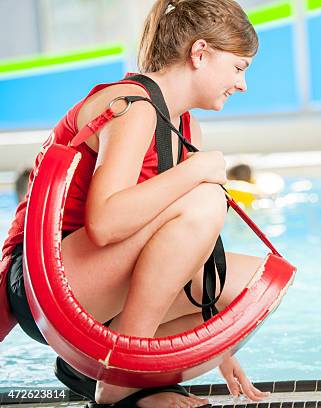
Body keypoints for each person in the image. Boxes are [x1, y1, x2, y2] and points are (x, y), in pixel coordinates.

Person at [1, 1, 271, 406]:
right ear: (200, 53)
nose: (243, 84)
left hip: (91, 279)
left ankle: (90, 366)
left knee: (256, 287)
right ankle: (124, 375)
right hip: (44, 284)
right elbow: (106, 223)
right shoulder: (132, 107)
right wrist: (196, 172)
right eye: (238, 68)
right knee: (204, 199)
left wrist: (218, 349)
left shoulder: (180, 122)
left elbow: (176, 244)